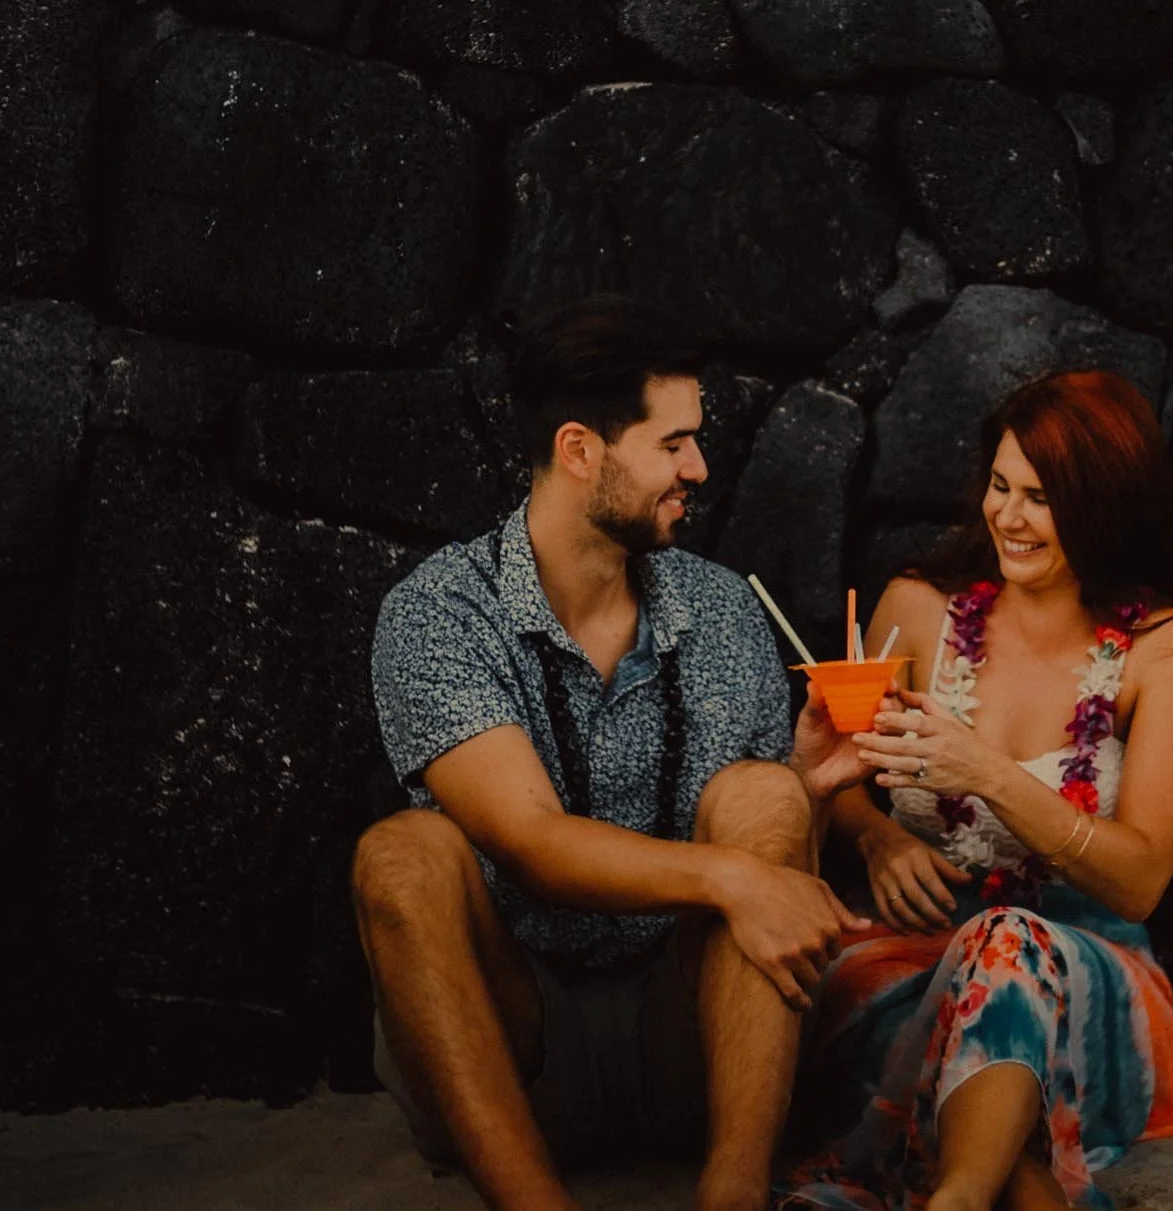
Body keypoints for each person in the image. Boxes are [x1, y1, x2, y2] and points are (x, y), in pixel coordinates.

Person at [356, 294, 869, 1211]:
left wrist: (807, 791)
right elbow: (530, 842)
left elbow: (770, 885)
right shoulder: (439, 612)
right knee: (399, 853)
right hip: (519, 1045)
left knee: (766, 792)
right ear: (579, 450)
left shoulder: (722, 608)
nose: (699, 467)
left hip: (691, 1044)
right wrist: (728, 876)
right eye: (673, 443)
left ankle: (734, 1194)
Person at [789, 370, 1173, 1211]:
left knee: (1007, 943)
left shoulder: (1171, 650)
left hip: (1085, 971)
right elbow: (842, 774)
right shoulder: (916, 608)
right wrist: (878, 836)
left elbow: (1141, 880)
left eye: (1041, 498)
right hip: (908, 954)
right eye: (1000, 485)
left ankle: (957, 1195)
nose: (1008, 517)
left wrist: (985, 772)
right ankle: (998, 1187)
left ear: (1105, 505)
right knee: (941, 1026)